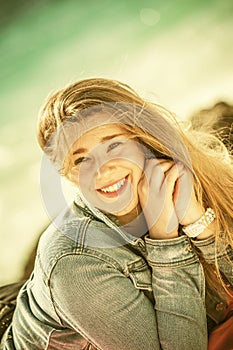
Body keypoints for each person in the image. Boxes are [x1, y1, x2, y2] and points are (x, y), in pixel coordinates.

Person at [1, 78, 232, 350]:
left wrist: (197, 222)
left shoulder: (173, 182)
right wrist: (165, 240)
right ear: (68, 174)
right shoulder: (73, 263)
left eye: (113, 145)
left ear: (143, 140)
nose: (103, 169)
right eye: (81, 159)